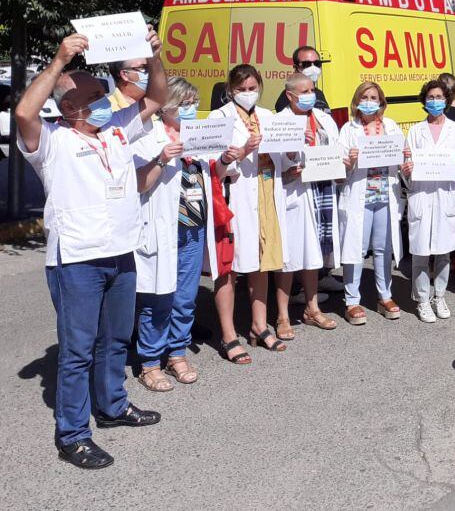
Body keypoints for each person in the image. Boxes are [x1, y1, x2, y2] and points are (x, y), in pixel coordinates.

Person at [16, 29, 166, 469]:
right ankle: (73, 434)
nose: (107, 100)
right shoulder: (51, 141)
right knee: (78, 351)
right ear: (69, 107)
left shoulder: (117, 129)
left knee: (116, 340)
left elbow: (156, 96)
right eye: (96, 95)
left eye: (105, 92)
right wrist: (60, 60)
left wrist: (154, 58)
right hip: (77, 260)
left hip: (122, 253)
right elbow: (24, 110)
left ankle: (113, 406)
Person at [131, 76, 219, 392]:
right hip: (161, 227)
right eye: (184, 104)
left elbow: (212, 176)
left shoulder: (198, 136)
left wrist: (225, 158)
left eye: (194, 102)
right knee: (157, 297)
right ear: (167, 106)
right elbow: (140, 184)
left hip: (193, 227)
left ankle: (177, 352)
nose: (191, 109)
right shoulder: (147, 137)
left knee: (185, 296)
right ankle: (150, 362)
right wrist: (164, 156)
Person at [208, 65, 289, 353]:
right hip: (236, 199)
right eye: (241, 89)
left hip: (266, 196)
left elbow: (285, 160)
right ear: (230, 90)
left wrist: (291, 152)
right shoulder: (218, 118)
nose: (247, 93)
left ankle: (259, 325)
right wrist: (241, 152)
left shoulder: (269, 117)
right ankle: (229, 334)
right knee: (229, 267)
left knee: (261, 262)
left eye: (252, 88)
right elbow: (213, 169)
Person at [400, 80, 455, 322]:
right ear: (424, 100)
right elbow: (407, 165)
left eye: (439, 96)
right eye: (430, 97)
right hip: (422, 196)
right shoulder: (415, 131)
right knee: (420, 252)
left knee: (443, 253)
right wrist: (407, 169)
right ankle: (422, 299)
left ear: (447, 99)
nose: (434, 101)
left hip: (446, 198)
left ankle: (439, 295)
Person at [275, 73, 341, 336]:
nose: (309, 95)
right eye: (304, 92)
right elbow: (272, 160)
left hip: (321, 192)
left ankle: (312, 309)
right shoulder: (280, 122)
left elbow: (335, 150)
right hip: (295, 194)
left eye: (311, 90)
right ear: (290, 96)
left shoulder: (323, 119)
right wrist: (287, 171)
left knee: (313, 254)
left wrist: (341, 164)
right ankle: (281, 316)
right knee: (289, 257)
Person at [338, 81, 405, 324]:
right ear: (357, 101)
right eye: (364, 97)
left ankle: (384, 296)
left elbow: (402, 158)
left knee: (383, 248)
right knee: (355, 248)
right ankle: (352, 300)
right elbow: (339, 169)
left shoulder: (391, 126)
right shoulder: (348, 129)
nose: (369, 101)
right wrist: (349, 161)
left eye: (373, 97)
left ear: (381, 102)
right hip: (359, 195)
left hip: (385, 195)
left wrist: (405, 157)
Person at [273, 46, 329, 113]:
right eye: (306, 64)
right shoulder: (289, 97)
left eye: (317, 63)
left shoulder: (319, 93)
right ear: (296, 67)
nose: (313, 68)